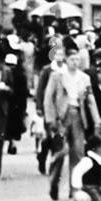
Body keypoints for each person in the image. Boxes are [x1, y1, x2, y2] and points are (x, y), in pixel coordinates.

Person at [46, 50, 100, 201]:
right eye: (72, 59)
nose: (75, 62)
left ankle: (74, 188)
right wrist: (50, 119)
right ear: (66, 60)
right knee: (60, 152)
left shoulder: (85, 78)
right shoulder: (57, 76)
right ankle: (53, 183)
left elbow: (90, 100)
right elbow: (48, 98)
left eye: (77, 60)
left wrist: (97, 122)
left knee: (78, 152)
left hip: (78, 115)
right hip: (61, 117)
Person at [34, 45, 66, 175]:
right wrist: (39, 107)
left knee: (58, 139)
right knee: (49, 138)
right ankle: (42, 157)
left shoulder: (66, 70)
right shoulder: (47, 70)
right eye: (56, 54)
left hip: (62, 110)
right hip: (49, 109)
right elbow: (40, 90)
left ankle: (54, 164)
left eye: (61, 54)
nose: (59, 57)